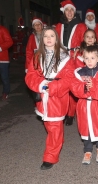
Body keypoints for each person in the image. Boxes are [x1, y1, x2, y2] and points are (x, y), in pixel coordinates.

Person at [25, 27, 75, 170]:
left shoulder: (66, 58)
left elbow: (69, 79)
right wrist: (40, 85)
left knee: (54, 127)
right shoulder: (37, 56)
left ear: (56, 38)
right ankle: (56, 142)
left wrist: (52, 87)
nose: (48, 38)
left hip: (57, 97)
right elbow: (30, 76)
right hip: (42, 97)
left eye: (51, 35)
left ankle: (50, 156)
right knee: (49, 125)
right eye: (45, 36)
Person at [70, 45, 98, 165]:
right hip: (84, 106)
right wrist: (85, 87)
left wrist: (94, 86)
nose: (89, 61)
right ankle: (88, 151)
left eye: (92, 58)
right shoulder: (79, 73)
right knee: (87, 129)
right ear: (83, 59)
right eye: (86, 58)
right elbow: (74, 88)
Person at [55, 0, 87, 126]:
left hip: (75, 59)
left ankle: (71, 113)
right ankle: (63, 111)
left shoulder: (81, 26)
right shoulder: (58, 26)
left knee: (73, 87)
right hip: (61, 59)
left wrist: (79, 50)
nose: (69, 12)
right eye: (67, 10)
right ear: (64, 12)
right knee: (62, 87)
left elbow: (85, 42)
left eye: (71, 10)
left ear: (74, 12)